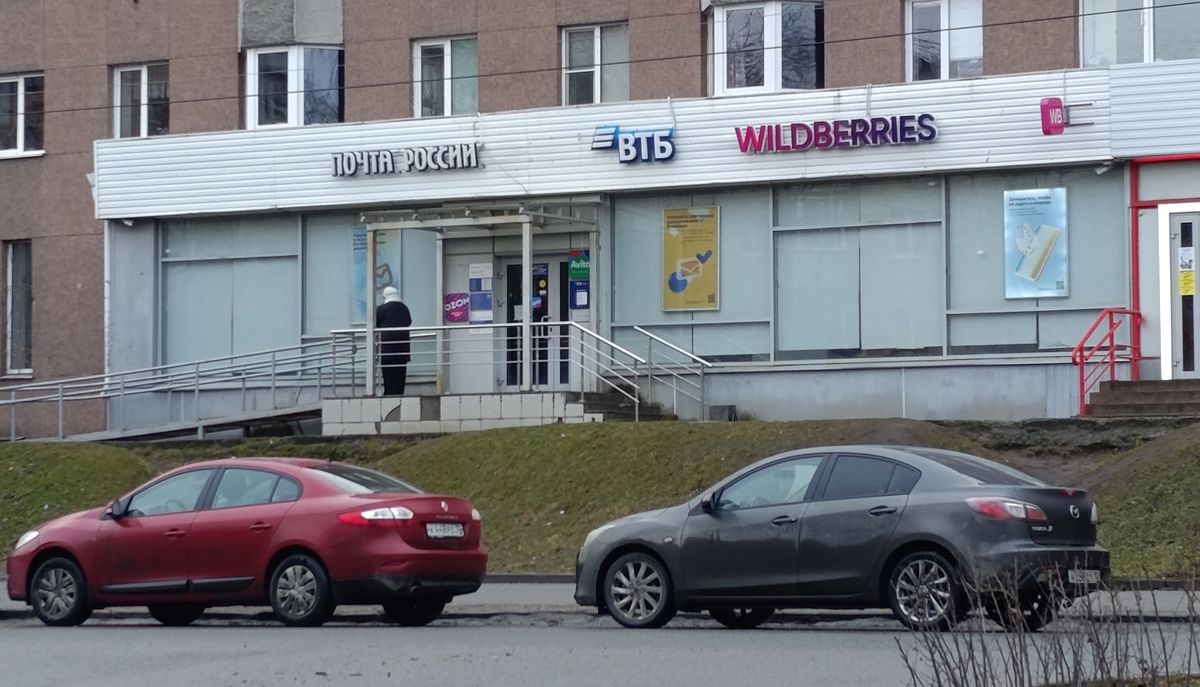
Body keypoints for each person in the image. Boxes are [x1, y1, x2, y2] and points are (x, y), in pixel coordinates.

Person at [375, 286, 412, 396]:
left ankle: (390, 397)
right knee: (400, 378)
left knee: (389, 379)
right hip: (403, 349)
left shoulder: (382, 309)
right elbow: (409, 321)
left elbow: (375, 322)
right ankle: (400, 396)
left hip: (387, 349)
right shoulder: (404, 308)